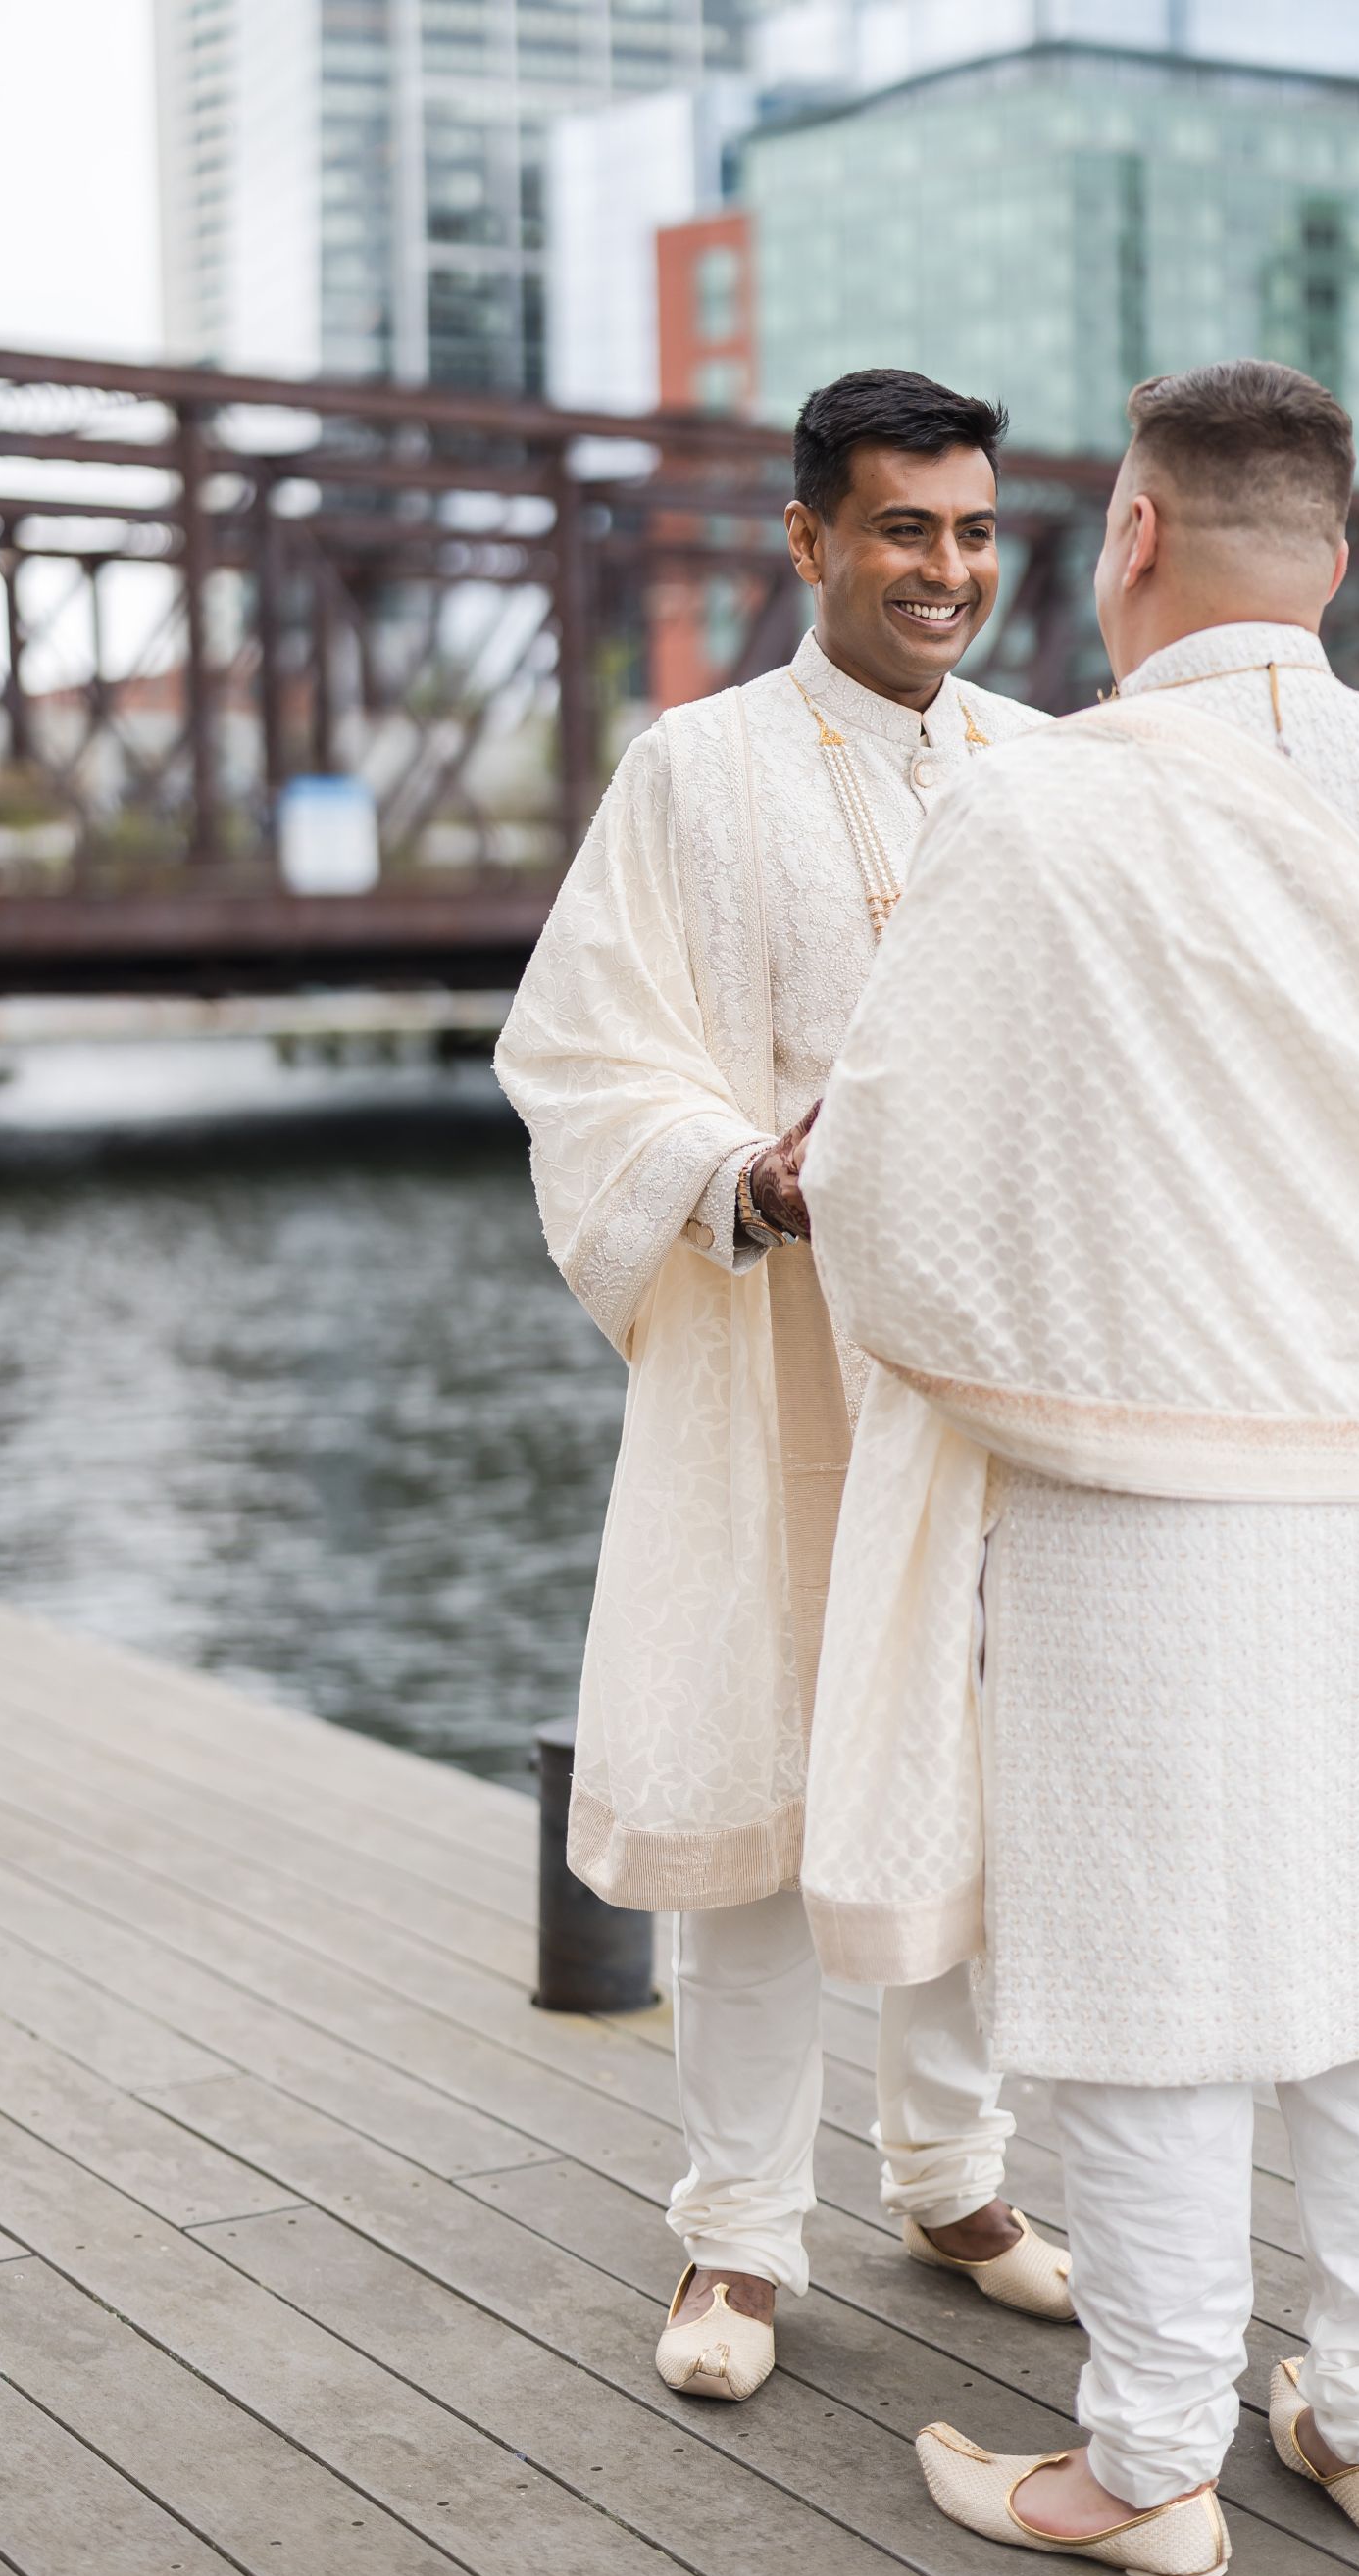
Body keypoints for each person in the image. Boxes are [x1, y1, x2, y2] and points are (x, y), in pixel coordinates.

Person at [798, 360, 1359, 2576]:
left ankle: (1145, 2468)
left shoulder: (1039, 803)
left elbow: (890, 1186)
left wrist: (1028, 1354)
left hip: (1122, 1484)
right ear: (1336, 553)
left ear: (1131, 537)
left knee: (1146, 1978)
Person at [495, 369, 1067, 2408]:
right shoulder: (697, 768)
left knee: (977, 1769)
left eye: (979, 531)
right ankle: (737, 2242)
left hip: (986, 1377)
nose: (951, 571)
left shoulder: (1049, 769)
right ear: (810, 538)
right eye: (908, 529)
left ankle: (955, 2176)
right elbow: (580, 1053)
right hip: (767, 1347)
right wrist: (739, 1176)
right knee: (751, 1790)